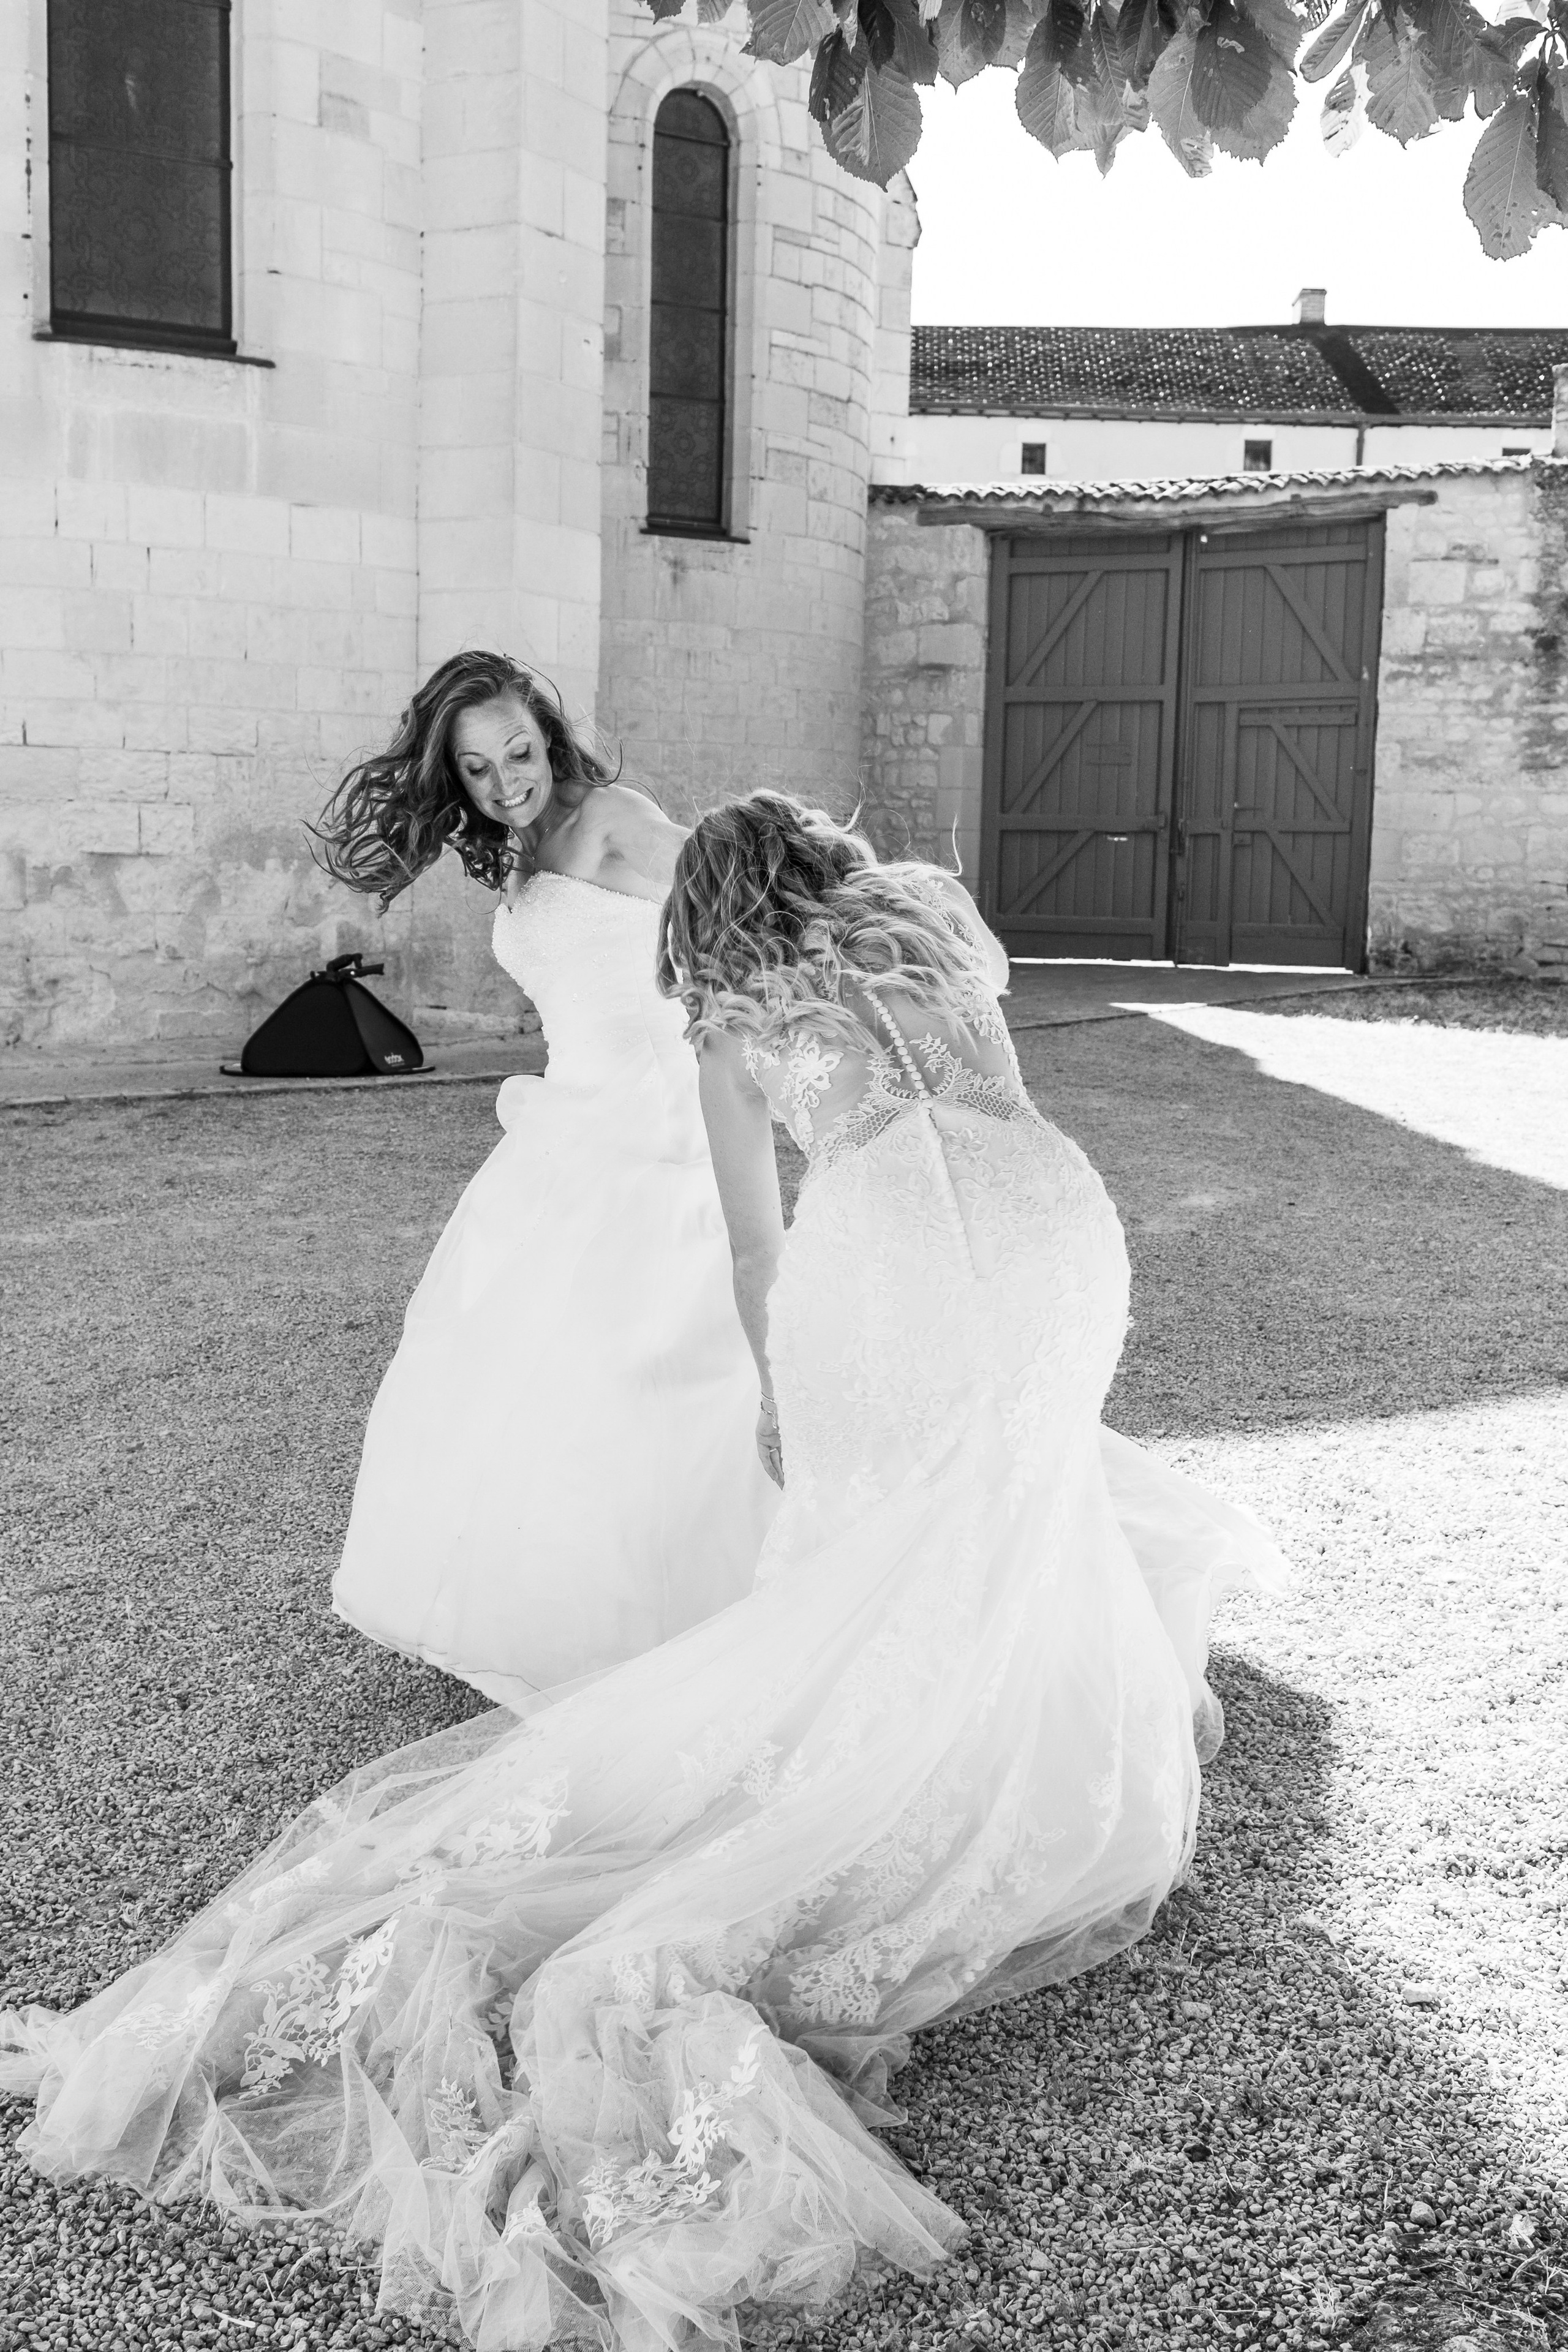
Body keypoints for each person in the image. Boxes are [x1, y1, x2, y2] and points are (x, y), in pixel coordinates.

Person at [0, 795, 1286, 2352]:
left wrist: (773, 1391)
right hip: (1055, 1237)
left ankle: (894, 1753)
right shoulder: (930, 922)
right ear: (821, 861)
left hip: (885, 1259)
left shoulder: (729, 1028)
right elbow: (975, 1052)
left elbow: (754, 1248)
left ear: (702, 915)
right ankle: (999, 1733)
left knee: (865, 1537)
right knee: (1007, 1497)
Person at [315, 652, 777, 1703]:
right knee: (523, 1371)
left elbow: (748, 907)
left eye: (518, 753)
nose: (504, 782)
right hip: (565, 1134)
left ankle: (661, 1618)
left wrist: (729, 1036)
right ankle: (541, 1605)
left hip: (649, 1140)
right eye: (476, 769)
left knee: (633, 1372)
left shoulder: (615, 819)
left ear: (548, 733)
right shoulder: (518, 846)